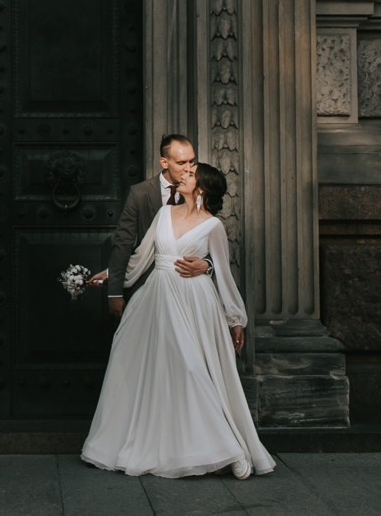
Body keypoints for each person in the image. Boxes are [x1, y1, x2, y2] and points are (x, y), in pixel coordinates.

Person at [81, 162, 275, 480]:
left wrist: (235, 318)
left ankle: (230, 450)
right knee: (151, 371)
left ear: (202, 189)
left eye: (191, 174)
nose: (183, 175)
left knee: (192, 369)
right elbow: (140, 257)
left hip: (193, 302)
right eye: (184, 171)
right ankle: (158, 446)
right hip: (156, 301)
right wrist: (110, 276)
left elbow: (223, 274)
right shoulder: (164, 215)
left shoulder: (213, 227)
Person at [103, 133, 210, 318]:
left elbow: (211, 238)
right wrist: (115, 292)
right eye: (181, 163)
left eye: (191, 162)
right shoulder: (139, 194)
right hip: (147, 286)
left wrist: (207, 265)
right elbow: (123, 243)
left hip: (189, 288)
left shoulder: (200, 190)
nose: (188, 169)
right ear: (164, 162)